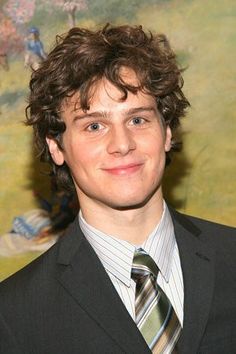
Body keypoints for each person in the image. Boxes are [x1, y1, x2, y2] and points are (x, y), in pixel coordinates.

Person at [0, 24, 235, 354]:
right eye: (94, 126)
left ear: (166, 131)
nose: (122, 144)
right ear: (56, 147)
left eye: (137, 119)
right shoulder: (13, 316)